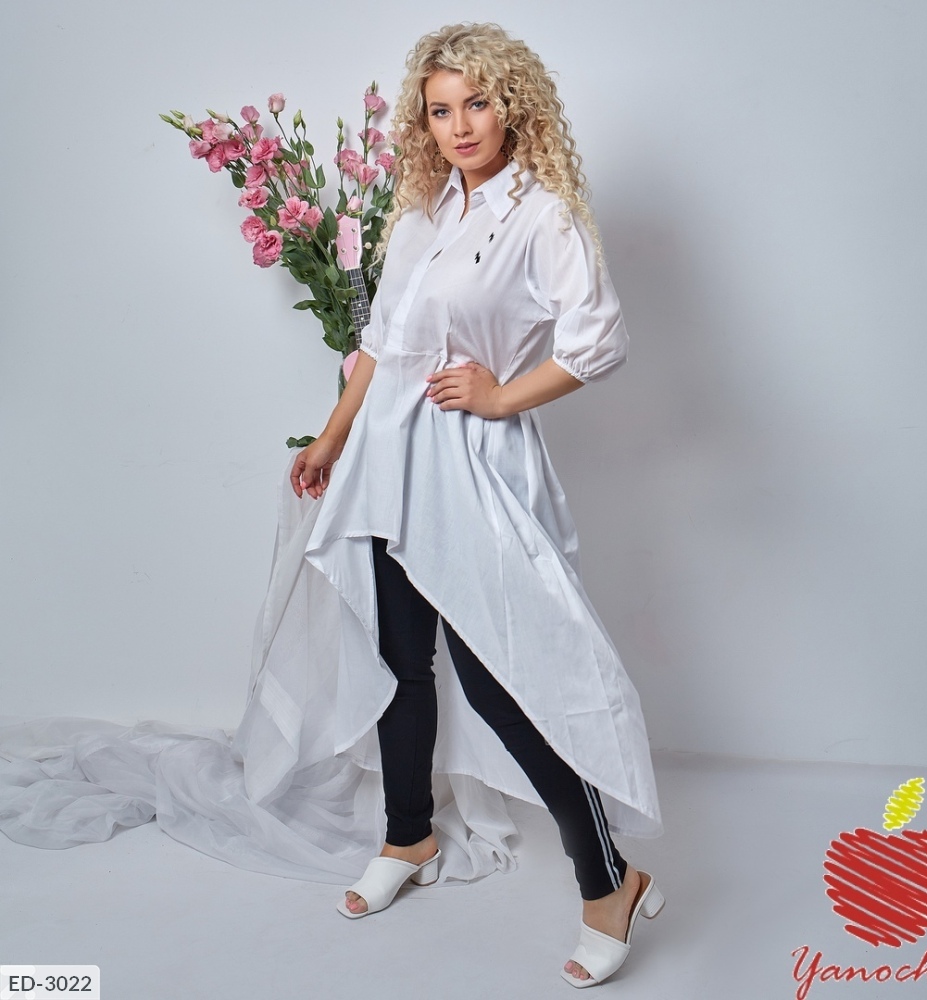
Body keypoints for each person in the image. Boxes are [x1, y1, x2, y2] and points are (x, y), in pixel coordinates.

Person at [290, 22, 663, 988]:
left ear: (513, 104)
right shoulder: (422, 209)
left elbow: (598, 339)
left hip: (469, 466)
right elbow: (380, 344)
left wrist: (500, 395)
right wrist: (331, 439)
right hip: (388, 460)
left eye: (478, 103)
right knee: (398, 658)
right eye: (440, 110)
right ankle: (408, 835)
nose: (459, 126)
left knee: (503, 680)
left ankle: (608, 879)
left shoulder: (543, 214)